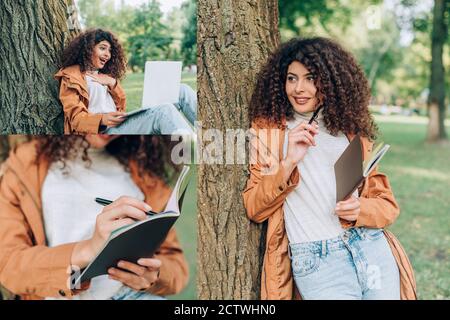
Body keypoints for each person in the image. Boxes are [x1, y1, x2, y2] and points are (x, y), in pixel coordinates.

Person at [243, 37, 416, 300]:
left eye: (310, 78)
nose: (299, 88)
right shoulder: (269, 130)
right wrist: (288, 161)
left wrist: (360, 209)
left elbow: (386, 205)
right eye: (291, 78)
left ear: (330, 80)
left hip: (369, 247)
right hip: (317, 260)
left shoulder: (349, 129)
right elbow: (255, 207)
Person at [0, 135, 189, 299]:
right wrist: (87, 249)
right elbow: (8, 263)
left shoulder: (145, 175)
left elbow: (176, 266)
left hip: (130, 294)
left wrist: (154, 275)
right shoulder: (26, 164)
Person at [54, 29, 196, 135]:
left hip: (119, 126)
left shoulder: (104, 76)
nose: (107, 55)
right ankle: (191, 151)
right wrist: (102, 119)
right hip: (101, 134)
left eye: (109, 51)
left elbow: (121, 106)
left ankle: (212, 135)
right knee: (164, 111)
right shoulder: (71, 76)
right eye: (102, 48)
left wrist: (112, 83)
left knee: (181, 90)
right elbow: (75, 119)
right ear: (87, 49)